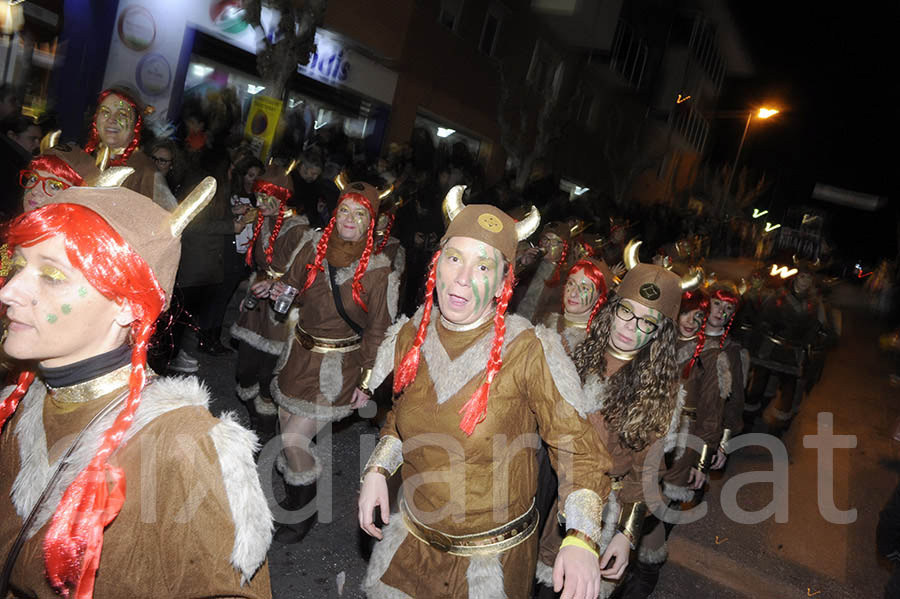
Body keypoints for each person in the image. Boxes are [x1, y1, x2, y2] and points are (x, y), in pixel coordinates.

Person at [0, 179, 273, 597]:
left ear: (128, 304)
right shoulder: (22, 399)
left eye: (52, 276)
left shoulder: (182, 443)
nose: (9, 290)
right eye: (19, 267)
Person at [359, 188, 611, 599]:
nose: (461, 277)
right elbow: (400, 418)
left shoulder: (528, 349)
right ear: (437, 265)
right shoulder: (412, 333)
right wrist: (377, 470)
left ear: (501, 283)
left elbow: (578, 449)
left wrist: (581, 536)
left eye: (482, 267)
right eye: (455, 258)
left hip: (488, 565)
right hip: (412, 543)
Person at [537, 252, 695, 599]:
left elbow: (646, 477)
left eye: (646, 322)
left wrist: (627, 535)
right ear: (613, 308)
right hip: (547, 493)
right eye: (626, 312)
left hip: (601, 513)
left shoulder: (660, 394)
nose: (630, 327)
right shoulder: (578, 355)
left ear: (659, 334)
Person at [269, 174, 399, 544]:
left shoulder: (379, 270)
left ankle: (302, 512)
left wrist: (367, 382)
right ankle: (298, 488)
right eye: (345, 210)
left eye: (360, 215)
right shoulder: (313, 246)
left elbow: (379, 330)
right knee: (286, 428)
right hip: (298, 356)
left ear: (370, 225)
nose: (349, 219)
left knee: (294, 437)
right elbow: (293, 287)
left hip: (337, 368)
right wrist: (279, 290)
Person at [230, 164, 311, 438]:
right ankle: (256, 417)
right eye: (259, 197)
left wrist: (276, 286)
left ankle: (263, 432)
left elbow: (301, 277)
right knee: (244, 371)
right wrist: (249, 293)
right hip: (257, 301)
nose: (261, 203)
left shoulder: (300, 230)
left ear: (283, 197)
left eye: (268, 197)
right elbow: (258, 267)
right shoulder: (261, 220)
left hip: (281, 308)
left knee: (268, 375)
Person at [83, 87, 177, 211]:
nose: (111, 120)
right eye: (105, 112)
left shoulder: (146, 172)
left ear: (135, 125)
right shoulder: (82, 158)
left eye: (122, 114)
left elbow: (169, 221)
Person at [511, 220, 577, 324]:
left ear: (563, 248)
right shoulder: (531, 264)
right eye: (545, 239)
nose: (547, 245)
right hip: (511, 320)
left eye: (554, 242)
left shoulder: (566, 278)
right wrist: (522, 264)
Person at [0, 115, 41, 219]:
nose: (37, 145)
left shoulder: (18, 161)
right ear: (12, 136)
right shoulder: (11, 164)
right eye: (32, 139)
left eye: (39, 139)